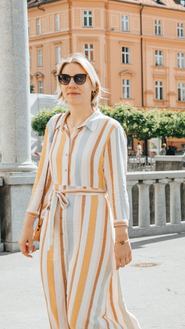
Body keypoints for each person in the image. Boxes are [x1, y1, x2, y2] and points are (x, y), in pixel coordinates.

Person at [17, 53, 141, 328]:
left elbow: (117, 185)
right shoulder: (54, 126)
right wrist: (29, 224)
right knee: (56, 303)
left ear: (93, 85)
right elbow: (44, 180)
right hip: (54, 224)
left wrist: (122, 237)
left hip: (95, 224)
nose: (71, 83)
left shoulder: (109, 128)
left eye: (79, 77)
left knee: (85, 309)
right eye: (64, 78)